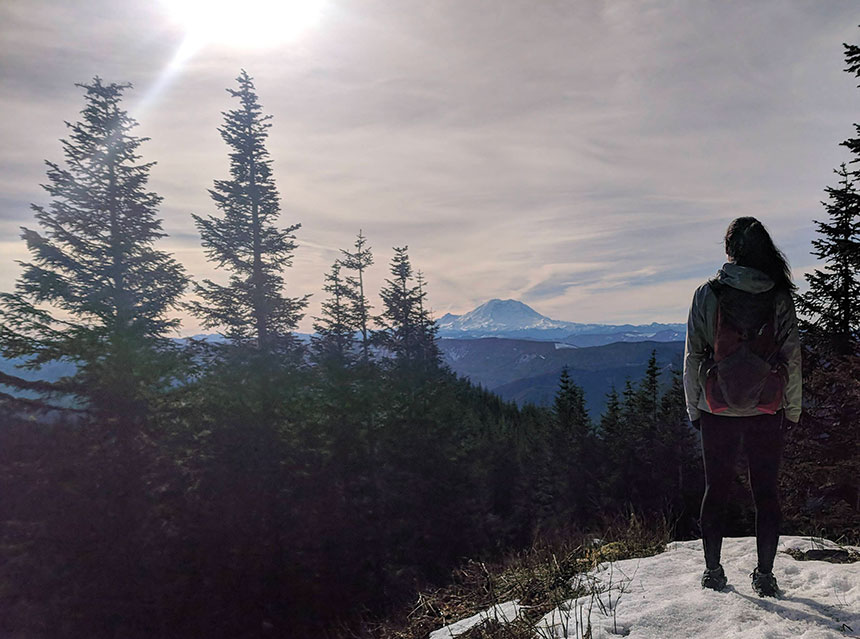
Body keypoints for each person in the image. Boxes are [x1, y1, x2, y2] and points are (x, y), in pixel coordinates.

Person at [683, 217, 801, 597]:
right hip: (768, 408)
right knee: (765, 492)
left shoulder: (708, 294)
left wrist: (695, 408)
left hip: (717, 408)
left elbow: (692, 355)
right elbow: (792, 357)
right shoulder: (779, 296)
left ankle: (713, 572)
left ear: (730, 250)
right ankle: (765, 575)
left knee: (715, 488)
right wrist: (792, 409)